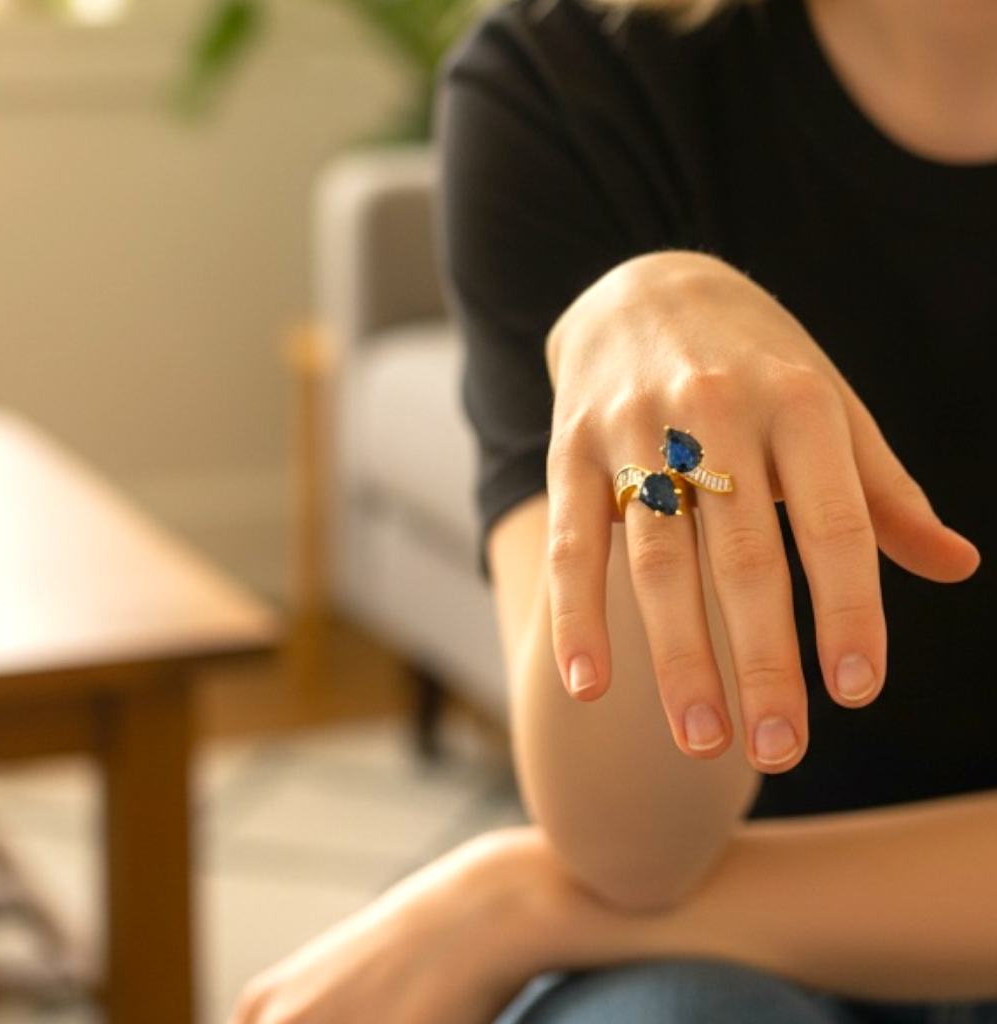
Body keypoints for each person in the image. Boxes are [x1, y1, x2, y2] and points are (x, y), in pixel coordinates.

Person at [228, 0, 997, 1020]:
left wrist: (521, 904)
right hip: (731, 929)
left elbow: (604, 893)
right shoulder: (576, 79)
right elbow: (632, 853)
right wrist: (645, 342)